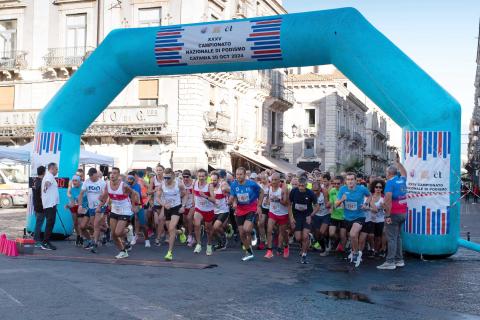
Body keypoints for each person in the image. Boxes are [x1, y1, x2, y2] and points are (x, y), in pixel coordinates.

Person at [98, 167, 139, 259]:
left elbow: (133, 194)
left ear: (119, 175)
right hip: (114, 209)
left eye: (115, 173)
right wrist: (100, 206)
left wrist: (133, 205)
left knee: (118, 232)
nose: (112, 175)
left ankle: (129, 230)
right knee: (113, 234)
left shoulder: (124, 186)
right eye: (111, 173)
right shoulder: (107, 185)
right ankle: (123, 251)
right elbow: (105, 196)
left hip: (125, 210)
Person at [378, 154, 407, 270]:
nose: (385, 174)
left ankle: (390, 262)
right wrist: (398, 163)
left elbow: (388, 199)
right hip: (403, 213)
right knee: (398, 237)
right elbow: (404, 172)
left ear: (389, 173)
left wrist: (387, 215)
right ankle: (399, 260)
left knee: (392, 238)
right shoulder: (402, 180)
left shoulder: (390, 183)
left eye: (386, 172)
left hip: (393, 213)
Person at [336, 172, 371, 267]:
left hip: (360, 216)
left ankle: (356, 253)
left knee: (353, 233)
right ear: (346, 181)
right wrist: (342, 200)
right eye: (348, 179)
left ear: (355, 181)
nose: (350, 181)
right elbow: (336, 204)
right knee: (352, 237)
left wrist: (365, 204)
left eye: (352, 179)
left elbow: (369, 196)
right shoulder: (342, 189)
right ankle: (355, 251)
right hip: (347, 218)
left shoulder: (362, 189)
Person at [230, 167, 263, 261]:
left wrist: (259, 206)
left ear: (245, 175)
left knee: (246, 229)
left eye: (241, 174)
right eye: (237, 174)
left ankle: (252, 233)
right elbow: (233, 196)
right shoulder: (234, 184)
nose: (239, 176)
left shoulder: (251, 184)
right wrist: (233, 202)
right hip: (240, 210)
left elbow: (262, 192)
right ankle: (249, 252)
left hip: (251, 208)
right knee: (242, 234)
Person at [289, 177, 318, 264]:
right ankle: (307, 241)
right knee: (298, 238)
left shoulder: (310, 193)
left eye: (303, 186)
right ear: (297, 185)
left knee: (305, 236)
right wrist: (291, 217)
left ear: (306, 185)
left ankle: (304, 255)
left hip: (306, 216)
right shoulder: (294, 191)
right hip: (297, 216)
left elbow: (317, 206)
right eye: (299, 185)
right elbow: (289, 205)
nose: (301, 187)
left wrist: (311, 215)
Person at [160, 168, 187, 261]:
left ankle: (169, 252)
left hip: (176, 208)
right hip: (167, 208)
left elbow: (186, 194)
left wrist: (183, 206)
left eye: (168, 177)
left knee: (171, 228)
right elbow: (158, 198)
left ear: (172, 176)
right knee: (170, 230)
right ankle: (181, 232)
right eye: (164, 177)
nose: (166, 180)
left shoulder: (178, 184)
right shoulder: (162, 185)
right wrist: (163, 204)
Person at [78, 167, 106, 253]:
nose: (90, 177)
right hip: (90, 207)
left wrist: (101, 204)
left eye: (91, 175)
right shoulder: (87, 182)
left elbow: (106, 196)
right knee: (82, 226)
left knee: (95, 225)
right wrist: (80, 205)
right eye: (89, 175)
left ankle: (95, 244)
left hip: (100, 207)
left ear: (96, 174)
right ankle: (93, 239)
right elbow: (81, 194)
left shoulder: (102, 182)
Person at [264, 173, 290, 259]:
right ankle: (269, 251)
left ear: (279, 181)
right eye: (272, 180)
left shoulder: (283, 189)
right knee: (269, 230)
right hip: (273, 212)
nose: (273, 182)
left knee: (283, 233)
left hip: (283, 214)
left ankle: (286, 246)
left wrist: (278, 199)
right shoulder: (269, 187)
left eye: (275, 180)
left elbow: (286, 203)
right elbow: (268, 198)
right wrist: (267, 201)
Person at [193, 169, 216, 255]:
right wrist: (193, 201)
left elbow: (214, 200)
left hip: (208, 210)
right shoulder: (195, 183)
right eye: (199, 176)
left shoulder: (209, 186)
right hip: (198, 209)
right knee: (196, 224)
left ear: (206, 177)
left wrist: (205, 196)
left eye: (203, 176)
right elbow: (193, 192)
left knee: (208, 229)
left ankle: (209, 244)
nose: (201, 178)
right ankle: (198, 244)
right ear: (197, 176)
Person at [127, 172, 151, 248]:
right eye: (128, 178)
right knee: (126, 223)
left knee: (143, 224)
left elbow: (136, 197)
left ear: (134, 178)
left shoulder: (137, 186)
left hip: (138, 206)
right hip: (129, 207)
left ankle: (147, 240)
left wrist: (134, 205)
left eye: (130, 178)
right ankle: (131, 238)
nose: (129, 180)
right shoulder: (126, 185)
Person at [39, 162, 60, 250]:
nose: (57, 170)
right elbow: (47, 182)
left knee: (50, 223)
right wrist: (45, 187)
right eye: (56, 169)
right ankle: (45, 242)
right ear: (52, 168)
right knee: (50, 223)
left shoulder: (49, 176)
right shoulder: (49, 176)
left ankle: (46, 241)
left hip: (50, 204)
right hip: (50, 205)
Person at [66, 175, 88, 247]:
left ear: (79, 181)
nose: (74, 182)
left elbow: (80, 198)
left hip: (83, 207)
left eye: (76, 181)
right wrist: (68, 205)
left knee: (80, 223)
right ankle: (78, 235)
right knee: (75, 223)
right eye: (73, 181)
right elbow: (72, 202)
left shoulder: (83, 187)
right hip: (75, 206)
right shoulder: (72, 189)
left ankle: (81, 236)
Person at [211, 171, 231, 251]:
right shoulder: (210, 187)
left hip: (223, 210)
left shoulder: (223, 185)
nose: (213, 182)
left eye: (214, 180)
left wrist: (227, 189)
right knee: (212, 230)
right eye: (211, 180)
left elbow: (231, 191)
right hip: (214, 211)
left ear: (218, 179)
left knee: (216, 227)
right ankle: (220, 243)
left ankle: (224, 237)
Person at [311, 181, 331, 256]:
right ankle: (323, 247)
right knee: (317, 234)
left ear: (320, 189)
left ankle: (327, 244)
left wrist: (329, 204)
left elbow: (328, 203)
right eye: (313, 190)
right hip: (316, 216)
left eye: (317, 190)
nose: (315, 192)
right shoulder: (311, 194)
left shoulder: (324, 193)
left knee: (322, 232)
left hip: (325, 215)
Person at [328, 176, 347, 252]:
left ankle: (343, 249)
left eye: (338, 183)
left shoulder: (346, 191)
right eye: (334, 183)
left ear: (342, 183)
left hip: (344, 216)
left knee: (343, 236)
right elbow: (332, 202)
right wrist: (331, 208)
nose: (336, 185)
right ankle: (338, 240)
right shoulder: (332, 190)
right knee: (331, 233)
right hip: (334, 215)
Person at [150, 164, 166, 246]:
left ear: (163, 171)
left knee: (161, 219)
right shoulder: (153, 179)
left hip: (165, 203)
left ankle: (158, 238)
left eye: (160, 170)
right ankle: (162, 232)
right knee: (156, 222)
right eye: (157, 170)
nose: (159, 172)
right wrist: (154, 190)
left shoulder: (166, 179)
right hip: (156, 202)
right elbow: (149, 192)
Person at [181, 169, 196, 247]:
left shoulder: (194, 182)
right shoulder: (181, 183)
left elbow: (195, 194)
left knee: (189, 218)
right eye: (184, 177)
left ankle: (190, 236)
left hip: (193, 204)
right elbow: (179, 195)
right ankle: (191, 236)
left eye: (187, 177)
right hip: (184, 204)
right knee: (185, 222)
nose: (185, 178)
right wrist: (183, 194)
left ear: (190, 176)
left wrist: (194, 201)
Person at [33, 166, 46, 248]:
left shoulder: (35, 181)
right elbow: (42, 196)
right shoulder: (41, 182)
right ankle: (36, 240)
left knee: (38, 223)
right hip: (40, 206)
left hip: (36, 205)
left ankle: (36, 239)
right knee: (39, 224)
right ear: (44, 172)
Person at [257, 173, 270, 250]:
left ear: (268, 178)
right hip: (262, 206)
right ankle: (262, 241)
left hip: (271, 207)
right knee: (260, 223)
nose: (263, 180)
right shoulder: (259, 186)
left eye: (264, 178)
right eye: (262, 179)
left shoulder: (271, 185)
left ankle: (271, 238)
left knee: (271, 226)